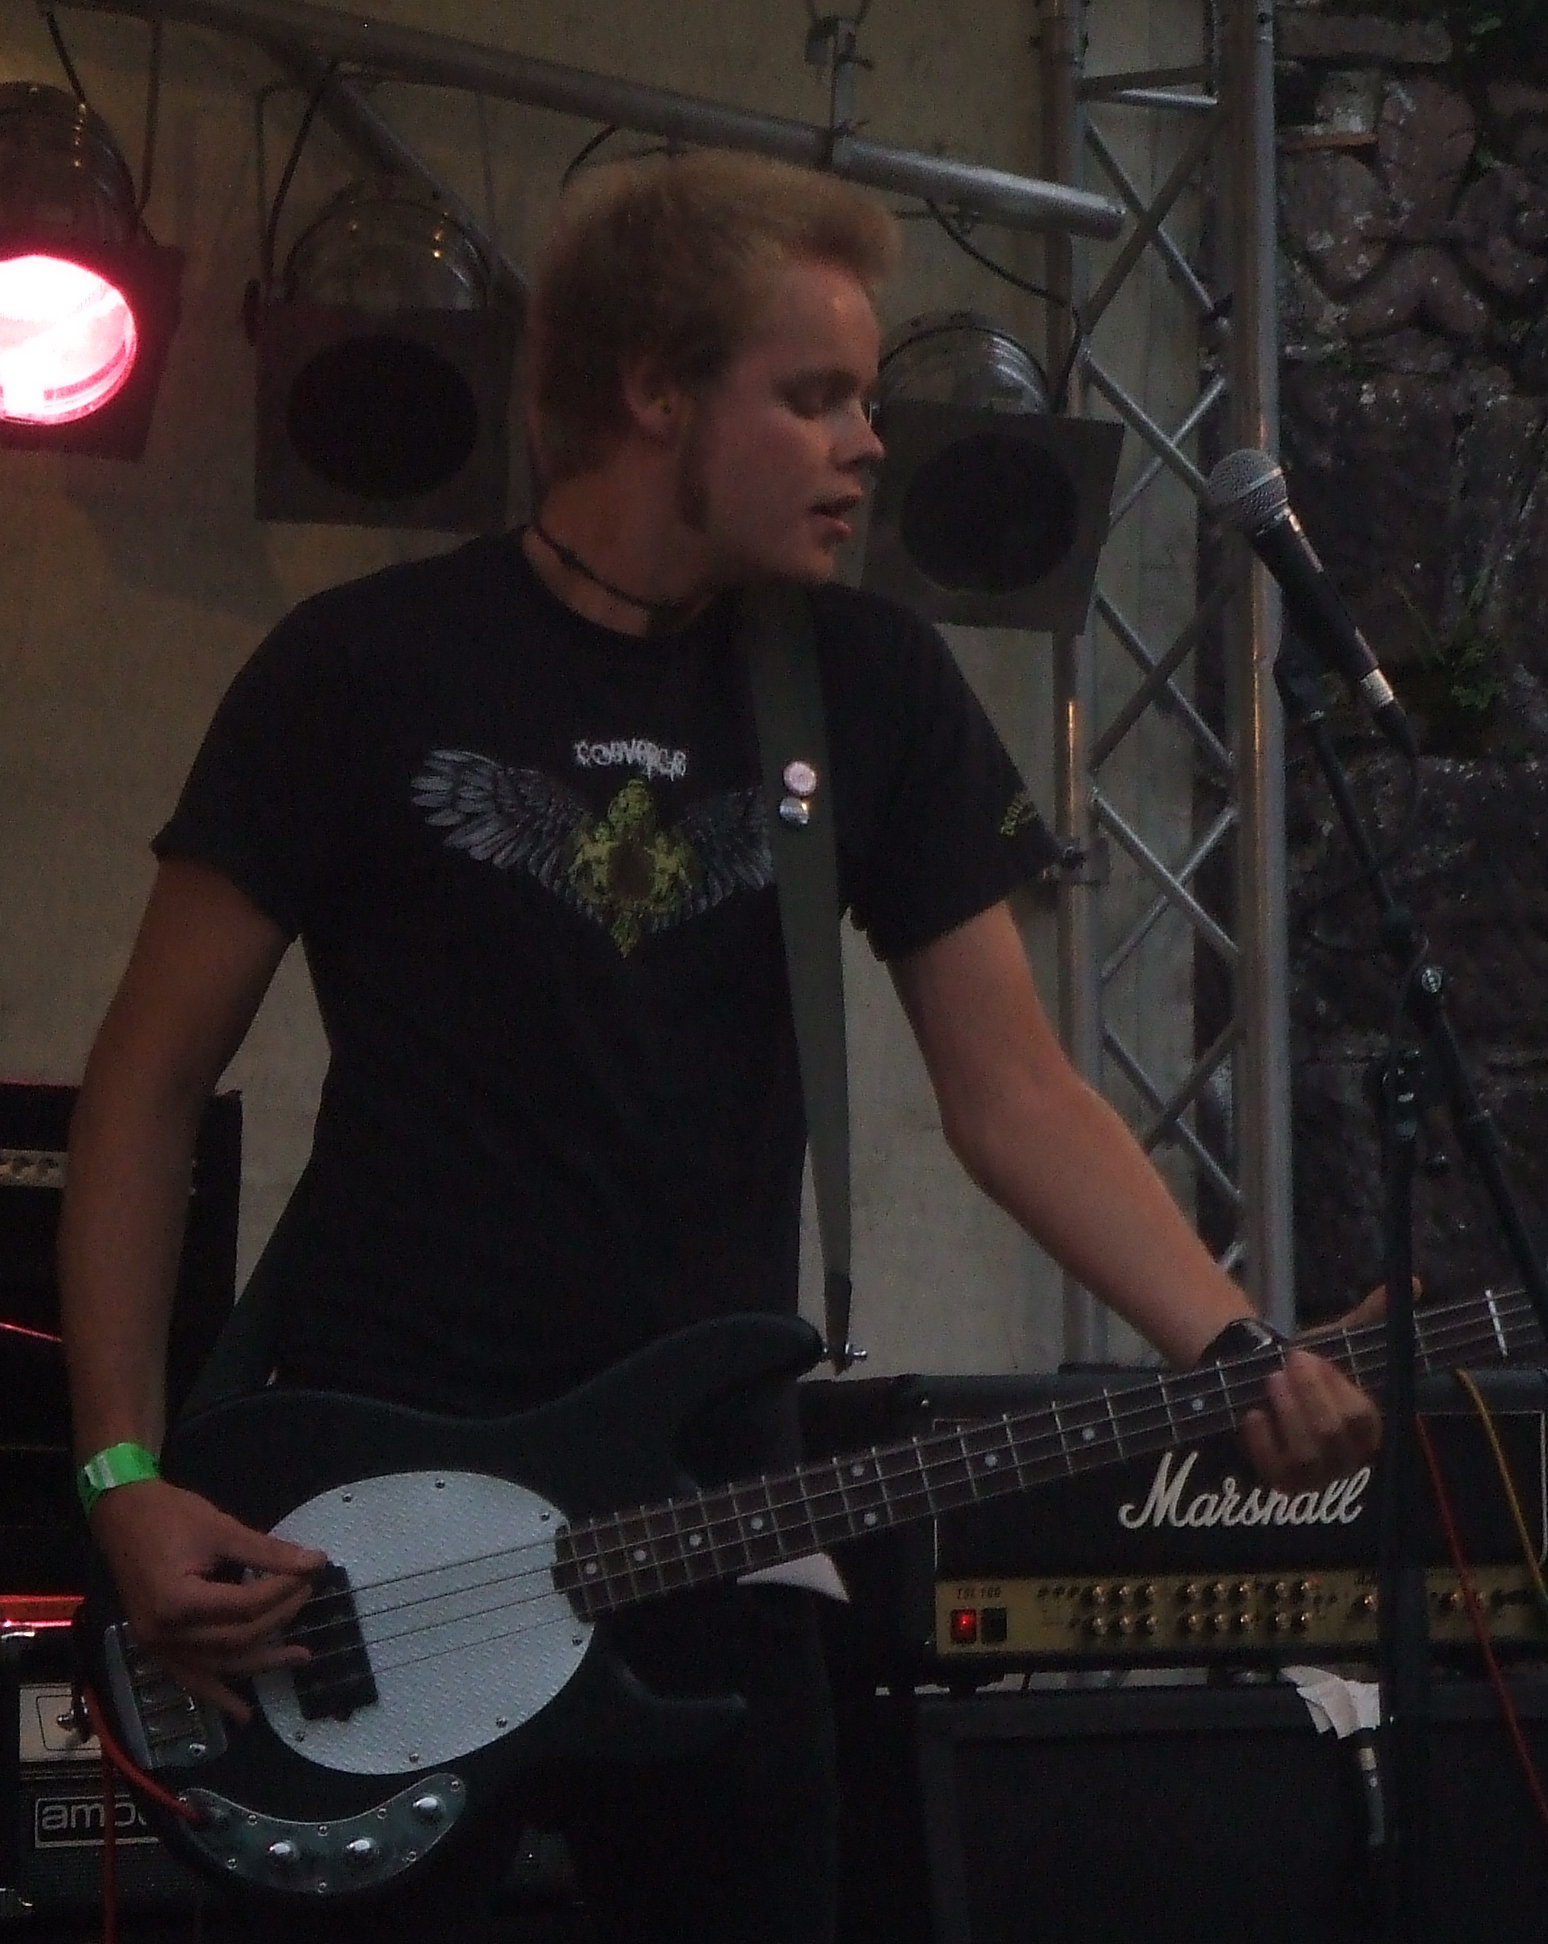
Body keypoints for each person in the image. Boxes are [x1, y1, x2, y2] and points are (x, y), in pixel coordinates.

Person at [58, 151, 1378, 1941]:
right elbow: (143, 1092)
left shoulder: (868, 685)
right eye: (812, 396)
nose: (867, 446)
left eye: (866, 399)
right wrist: (125, 1478)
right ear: (655, 392)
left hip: (713, 1511)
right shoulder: (358, 667)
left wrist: (1229, 1341)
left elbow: (1014, 1094)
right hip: (358, 1535)